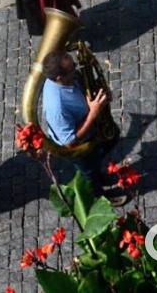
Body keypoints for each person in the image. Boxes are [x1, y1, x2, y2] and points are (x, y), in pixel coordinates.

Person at [41, 51, 122, 202]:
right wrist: (93, 113)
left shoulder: (66, 79)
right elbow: (70, 141)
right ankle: (99, 198)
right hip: (80, 148)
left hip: (91, 130)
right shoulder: (56, 108)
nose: (77, 70)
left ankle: (100, 175)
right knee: (89, 172)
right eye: (72, 69)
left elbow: (78, 82)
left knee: (109, 143)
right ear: (60, 78)